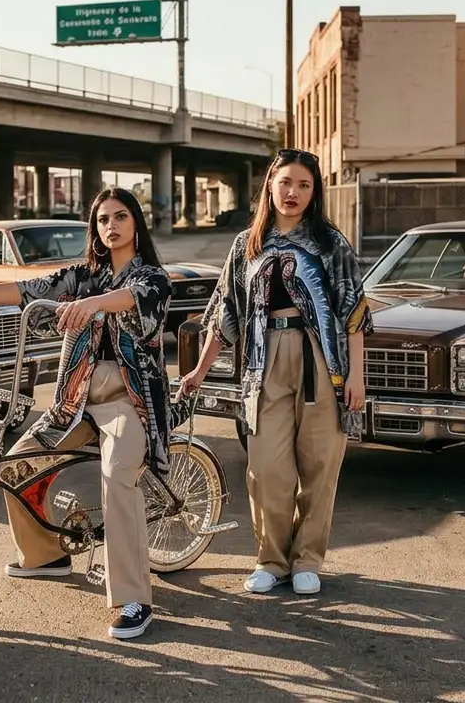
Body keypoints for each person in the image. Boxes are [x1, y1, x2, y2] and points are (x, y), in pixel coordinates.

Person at [0, 187, 172, 640]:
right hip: (74, 400)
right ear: (95, 228)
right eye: (103, 219)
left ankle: (134, 599)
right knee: (15, 463)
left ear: (136, 224)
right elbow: (26, 290)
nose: (112, 226)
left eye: (121, 217)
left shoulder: (152, 276)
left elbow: (134, 299)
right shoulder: (82, 276)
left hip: (129, 400)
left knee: (117, 476)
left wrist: (94, 303)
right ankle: (47, 555)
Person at [178, 148, 373, 596]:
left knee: (320, 463)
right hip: (262, 362)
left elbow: (353, 311)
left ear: (314, 192)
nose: (293, 193)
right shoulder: (246, 243)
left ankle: (307, 560)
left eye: (304, 185)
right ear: (270, 184)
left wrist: (357, 376)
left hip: (321, 361)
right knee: (266, 468)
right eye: (285, 182)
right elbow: (225, 313)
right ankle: (271, 560)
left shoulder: (330, 242)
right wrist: (200, 370)